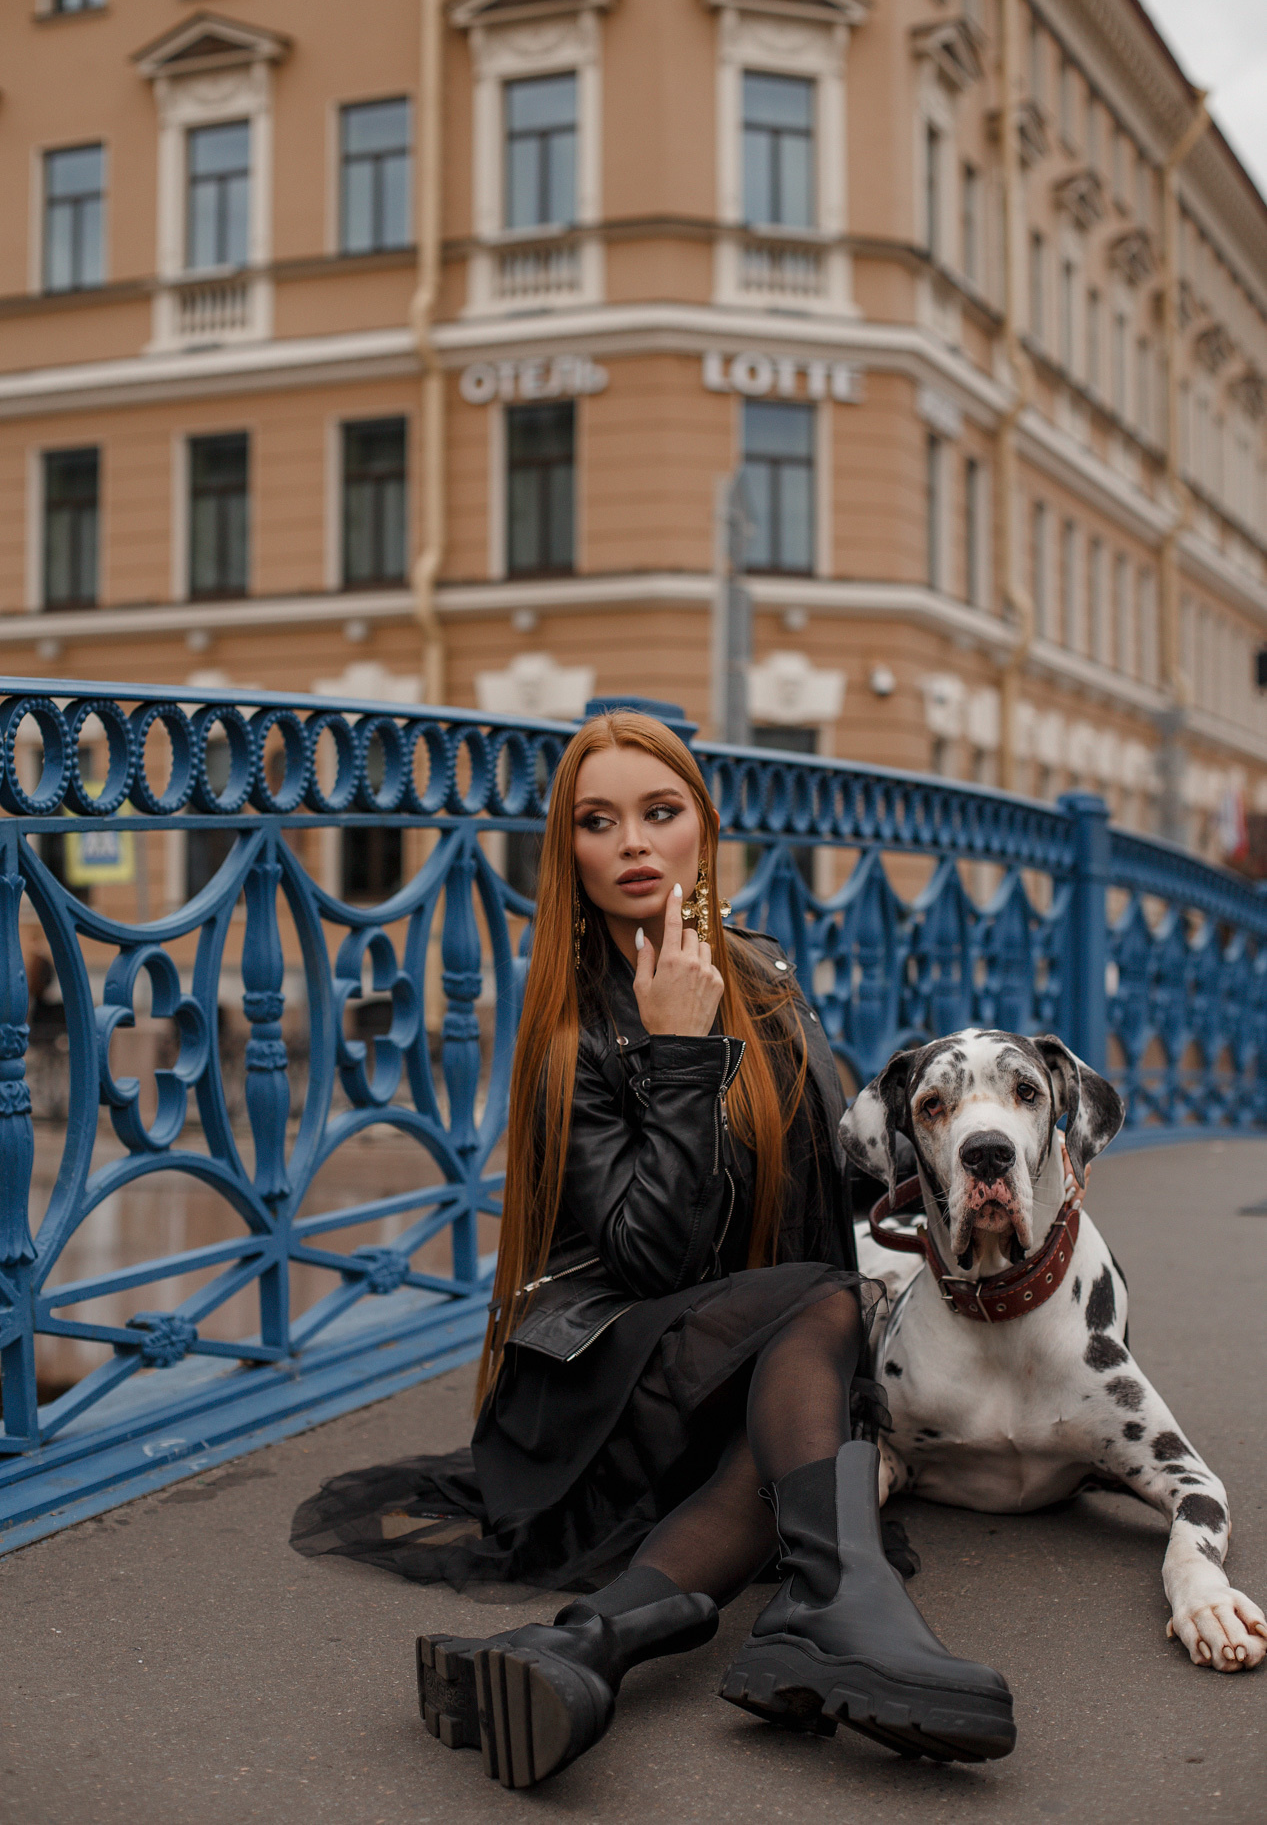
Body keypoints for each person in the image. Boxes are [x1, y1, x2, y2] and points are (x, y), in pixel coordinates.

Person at [292, 710, 1014, 1787]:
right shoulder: (572, 1032)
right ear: (568, 850)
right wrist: (678, 1049)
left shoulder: (762, 974)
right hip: (608, 1377)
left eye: (657, 812)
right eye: (598, 820)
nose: (631, 842)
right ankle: (847, 1610)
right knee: (820, 1304)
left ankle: (579, 1649)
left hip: (752, 1355)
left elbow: (844, 1166)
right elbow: (649, 1262)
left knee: (785, 1413)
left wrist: (993, 1172)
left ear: (700, 833)